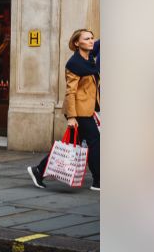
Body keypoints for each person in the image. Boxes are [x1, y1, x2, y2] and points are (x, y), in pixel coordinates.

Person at [28, 30, 100, 191]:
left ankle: (39, 170)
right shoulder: (74, 64)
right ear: (77, 43)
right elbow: (71, 92)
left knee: (71, 143)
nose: (91, 41)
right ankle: (98, 181)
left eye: (92, 38)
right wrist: (72, 117)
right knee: (95, 141)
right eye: (86, 39)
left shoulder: (89, 60)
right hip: (79, 111)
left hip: (86, 109)